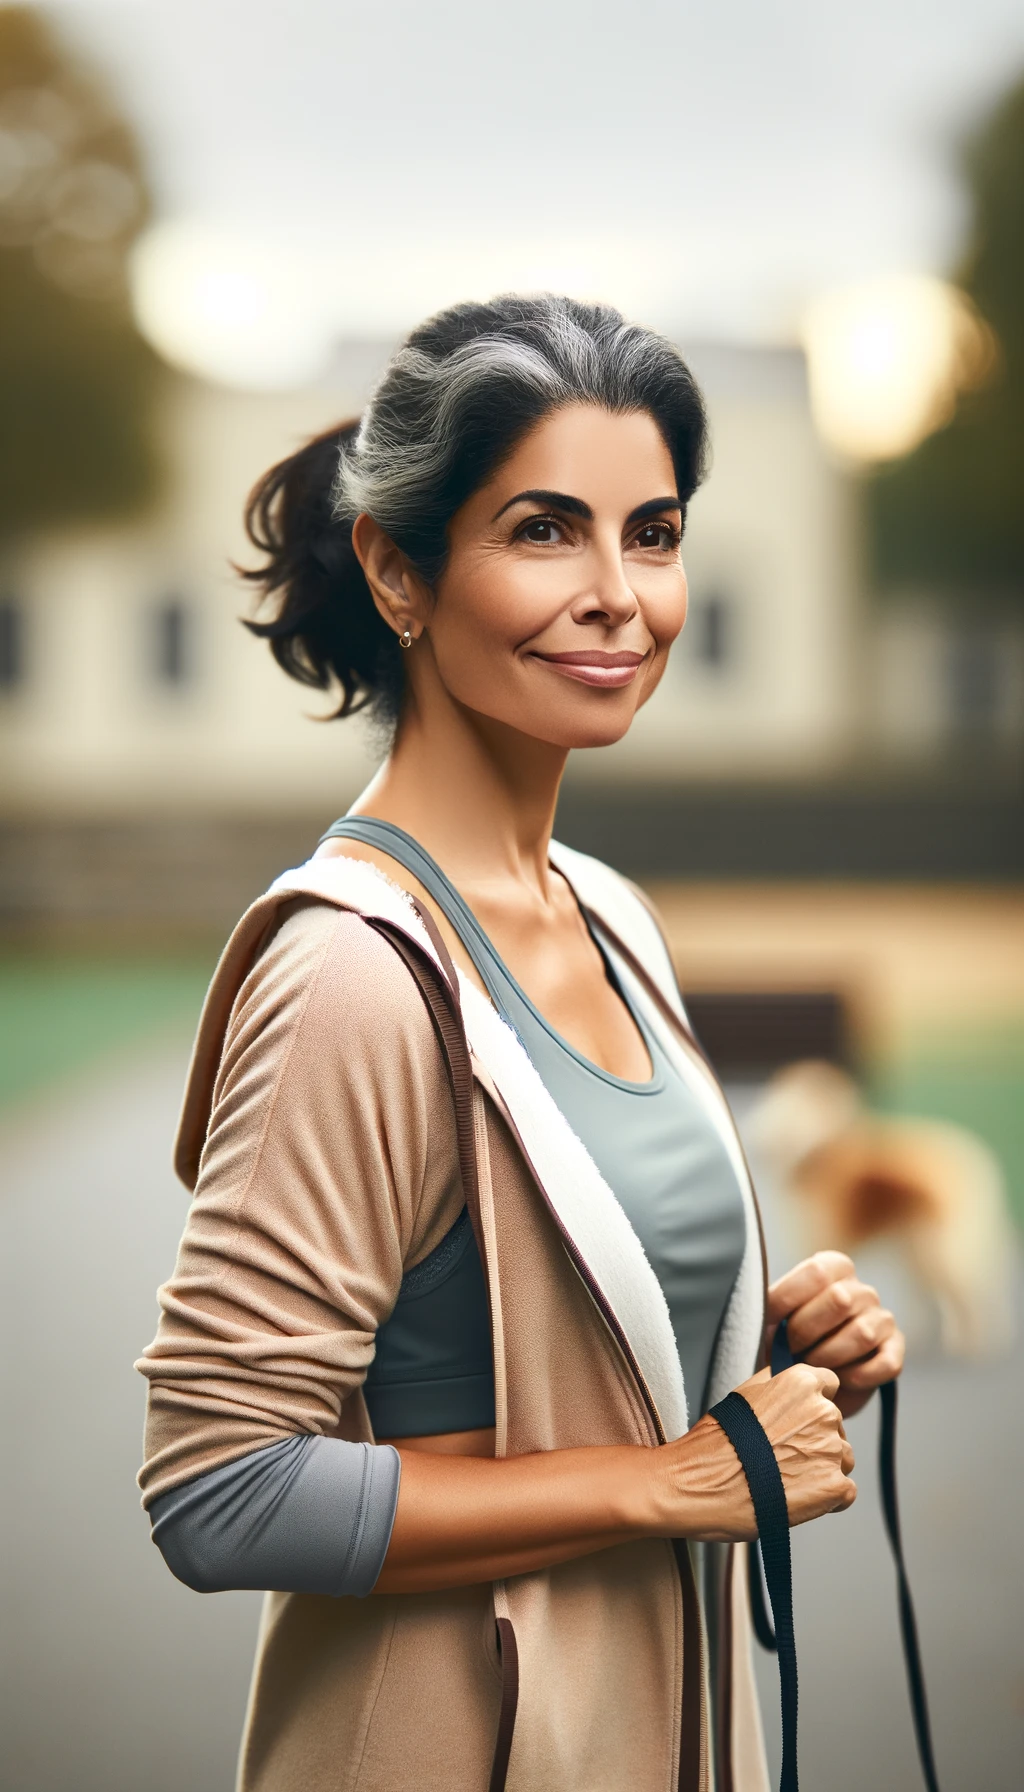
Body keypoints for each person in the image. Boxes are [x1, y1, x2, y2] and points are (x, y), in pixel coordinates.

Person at [136, 295, 905, 1792]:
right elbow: (218, 1490)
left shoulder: (610, 914)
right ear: (397, 570)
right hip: (444, 1739)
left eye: (656, 532)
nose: (621, 593)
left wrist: (761, 1364)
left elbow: (551, 1349)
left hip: (662, 1715)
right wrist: (657, 1483)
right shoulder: (353, 974)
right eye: (547, 530)